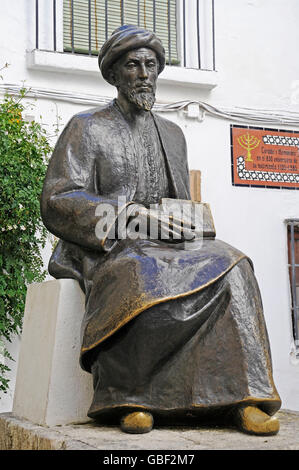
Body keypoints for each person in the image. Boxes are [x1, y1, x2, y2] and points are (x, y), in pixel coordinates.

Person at [41, 25, 281, 435]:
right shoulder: (87, 127)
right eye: (133, 65)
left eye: (150, 65)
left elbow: (179, 203)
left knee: (234, 265)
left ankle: (242, 396)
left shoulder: (172, 134)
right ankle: (130, 398)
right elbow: (59, 198)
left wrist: (190, 223)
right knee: (139, 272)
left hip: (167, 242)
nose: (144, 74)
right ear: (114, 74)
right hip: (109, 244)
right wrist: (131, 215)